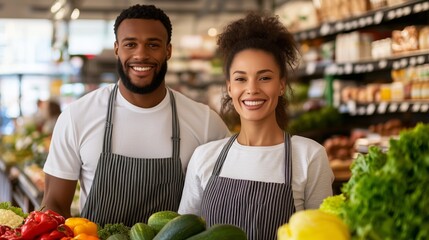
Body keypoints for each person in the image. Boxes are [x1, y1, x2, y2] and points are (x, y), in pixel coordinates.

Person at [42, 4, 230, 227]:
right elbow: (54, 204)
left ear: (168, 50)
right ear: (116, 49)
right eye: (130, 44)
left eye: (153, 44)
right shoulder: (77, 116)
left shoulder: (206, 123)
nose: (141, 54)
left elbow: (224, 203)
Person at [178, 12, 334, 240]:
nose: (252, 89)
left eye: (264, 78)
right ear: (230, 87)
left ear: (281, 85)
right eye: (241, 79)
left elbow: (322, 235)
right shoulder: (204, 157)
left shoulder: (309, 156)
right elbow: (183, 233)